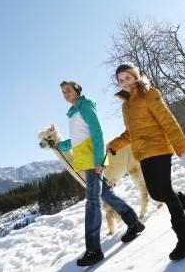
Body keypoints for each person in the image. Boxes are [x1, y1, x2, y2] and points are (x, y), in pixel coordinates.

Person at [107, 64, 185, 261]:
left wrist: (180, 145)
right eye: (120, 80)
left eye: (127, 77)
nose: (125, 82)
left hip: (159, 148)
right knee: (157, 193)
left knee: (166, 193)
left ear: (135, 76)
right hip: (143, 153)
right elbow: (131, 133)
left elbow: (167, 120)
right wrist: (115, 145)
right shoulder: (126, 105)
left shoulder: (149, 94)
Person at [55, 81, 143, 267]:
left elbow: (97, 132)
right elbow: (78, 139)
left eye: (69, 90)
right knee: (105, 194)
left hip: (92, 160)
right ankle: (134, 222)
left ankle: (94, 249)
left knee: (92, 201)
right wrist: (60, 146)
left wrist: (99, 161)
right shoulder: (73, 112)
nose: (66, 94)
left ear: (78, 90)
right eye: (63, 92)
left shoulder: (85, 106)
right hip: (85, 158)